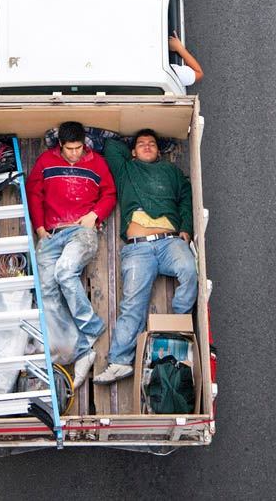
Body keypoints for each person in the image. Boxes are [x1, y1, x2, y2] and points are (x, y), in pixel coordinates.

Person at [94, 129, 198, 384]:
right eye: (141, 144)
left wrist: (186, 228)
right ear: (133, 151)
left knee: (189, 270)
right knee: (132, 304)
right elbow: (111, 148)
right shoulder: (126, 170)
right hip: (138, 248)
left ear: (159, 151)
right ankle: (120, 362)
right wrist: (131, 139)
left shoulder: (171, 172)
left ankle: (176, 328)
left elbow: (186, 198)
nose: (148, 146)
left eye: (152, 143)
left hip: (169, 242)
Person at [26, 121, 117, 388]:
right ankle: (73, 345)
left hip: (81, 231)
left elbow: (109, 193)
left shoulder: (97, 162)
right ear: (60, 146)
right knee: (46, 289)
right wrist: (40, 229)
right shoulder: (45, 161)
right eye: (70, 149)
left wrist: (95, 214)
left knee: (65, 271)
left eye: (79, 148)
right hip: (52, 232)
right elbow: (34, 192)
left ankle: (91, 327)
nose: (75, 154)